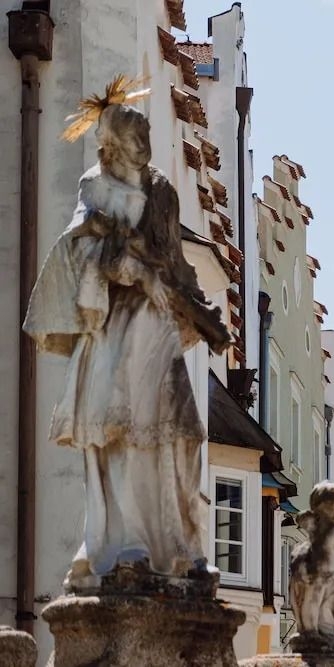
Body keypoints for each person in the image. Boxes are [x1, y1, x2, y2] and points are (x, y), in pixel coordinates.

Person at [23, 79, 230, 590]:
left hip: (158, 328)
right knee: (122, 432)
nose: (145, 145)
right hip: (116, 328)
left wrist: (200, 311)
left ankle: (182, 548)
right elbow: (80, 251)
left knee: (183, 432)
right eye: (135, 138)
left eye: (147, 135)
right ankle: (126, 546)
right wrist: (132, 270)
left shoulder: (162, 190)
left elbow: (175, 261)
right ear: (111, 145)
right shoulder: (94, 188)